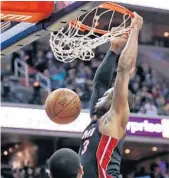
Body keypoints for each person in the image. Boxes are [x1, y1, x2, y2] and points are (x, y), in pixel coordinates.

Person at [78, 12, 143, 178]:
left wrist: (134, 31)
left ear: (117, 102)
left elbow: (124, 70)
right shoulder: (96, 119)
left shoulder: (114, 118)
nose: (101, 96)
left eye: (107, 96)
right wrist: (113, 50)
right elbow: (100, 83)